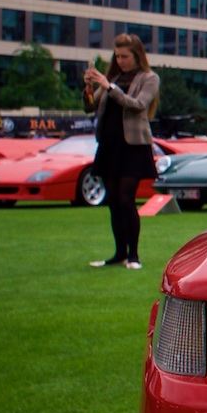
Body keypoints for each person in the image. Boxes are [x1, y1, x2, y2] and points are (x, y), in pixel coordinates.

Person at [83, 34, 160, 270]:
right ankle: (119, 253)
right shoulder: (113, 78)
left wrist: (110, 87)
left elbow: (137, 105)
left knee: (127, 198)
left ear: (137, 56)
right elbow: (90, 107)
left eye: (125, 56)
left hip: (133, 145)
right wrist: (89, 86)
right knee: (113, 200)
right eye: (117, 56)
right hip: (110, 143)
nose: (121, 60)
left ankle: (134, 255)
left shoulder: (149, 78)